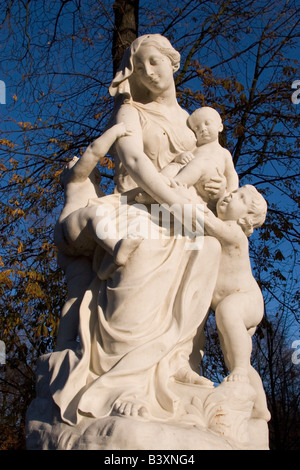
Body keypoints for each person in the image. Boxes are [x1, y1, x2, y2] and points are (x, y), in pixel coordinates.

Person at [48, 34, 226, 426]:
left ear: (172, 62)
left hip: (184, 214)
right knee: (142, 247)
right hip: (138, 205)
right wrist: (176, 203)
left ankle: (175, 360)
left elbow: (214, 174)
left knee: (209, 250)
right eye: (140, 66)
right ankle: (122, 381)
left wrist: (212, 192)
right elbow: (135, 162)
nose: (148, 72)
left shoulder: (194, 123)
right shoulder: (130, 113)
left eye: (155, 62)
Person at [203, 184, 270, 420]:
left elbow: (205, 220)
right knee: (232, 356)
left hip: (246, 300)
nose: (230, 195)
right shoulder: (224, 224)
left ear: (246, 220)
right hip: (231, 304)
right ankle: (261, 408)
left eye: (239, 198)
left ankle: (241, 370)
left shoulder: (234, 233)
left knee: (228, 311)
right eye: (234, 192)